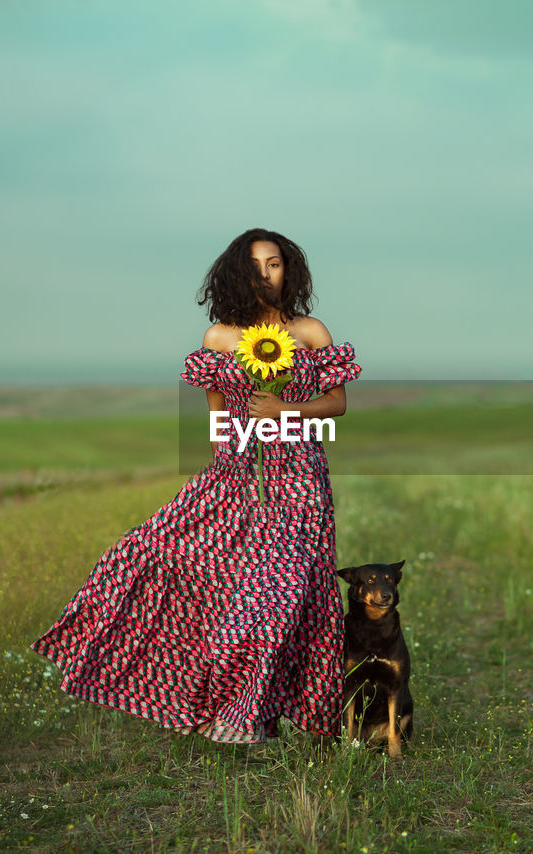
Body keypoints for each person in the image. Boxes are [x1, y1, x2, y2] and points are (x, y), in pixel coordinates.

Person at [30, 227, 361, 744]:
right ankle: (214, 704)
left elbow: (336, 404)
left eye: (275, 264)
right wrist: (226, 466)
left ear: (288, 270)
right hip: (234, 476)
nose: (266, 275)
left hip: (300, 481)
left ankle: (269, 716)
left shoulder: (312, 332)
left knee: (286, 599)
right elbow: (215, 413)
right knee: (143, 555)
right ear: (237, 274)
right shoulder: (219, 339)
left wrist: (282, 409)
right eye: (256, 267)